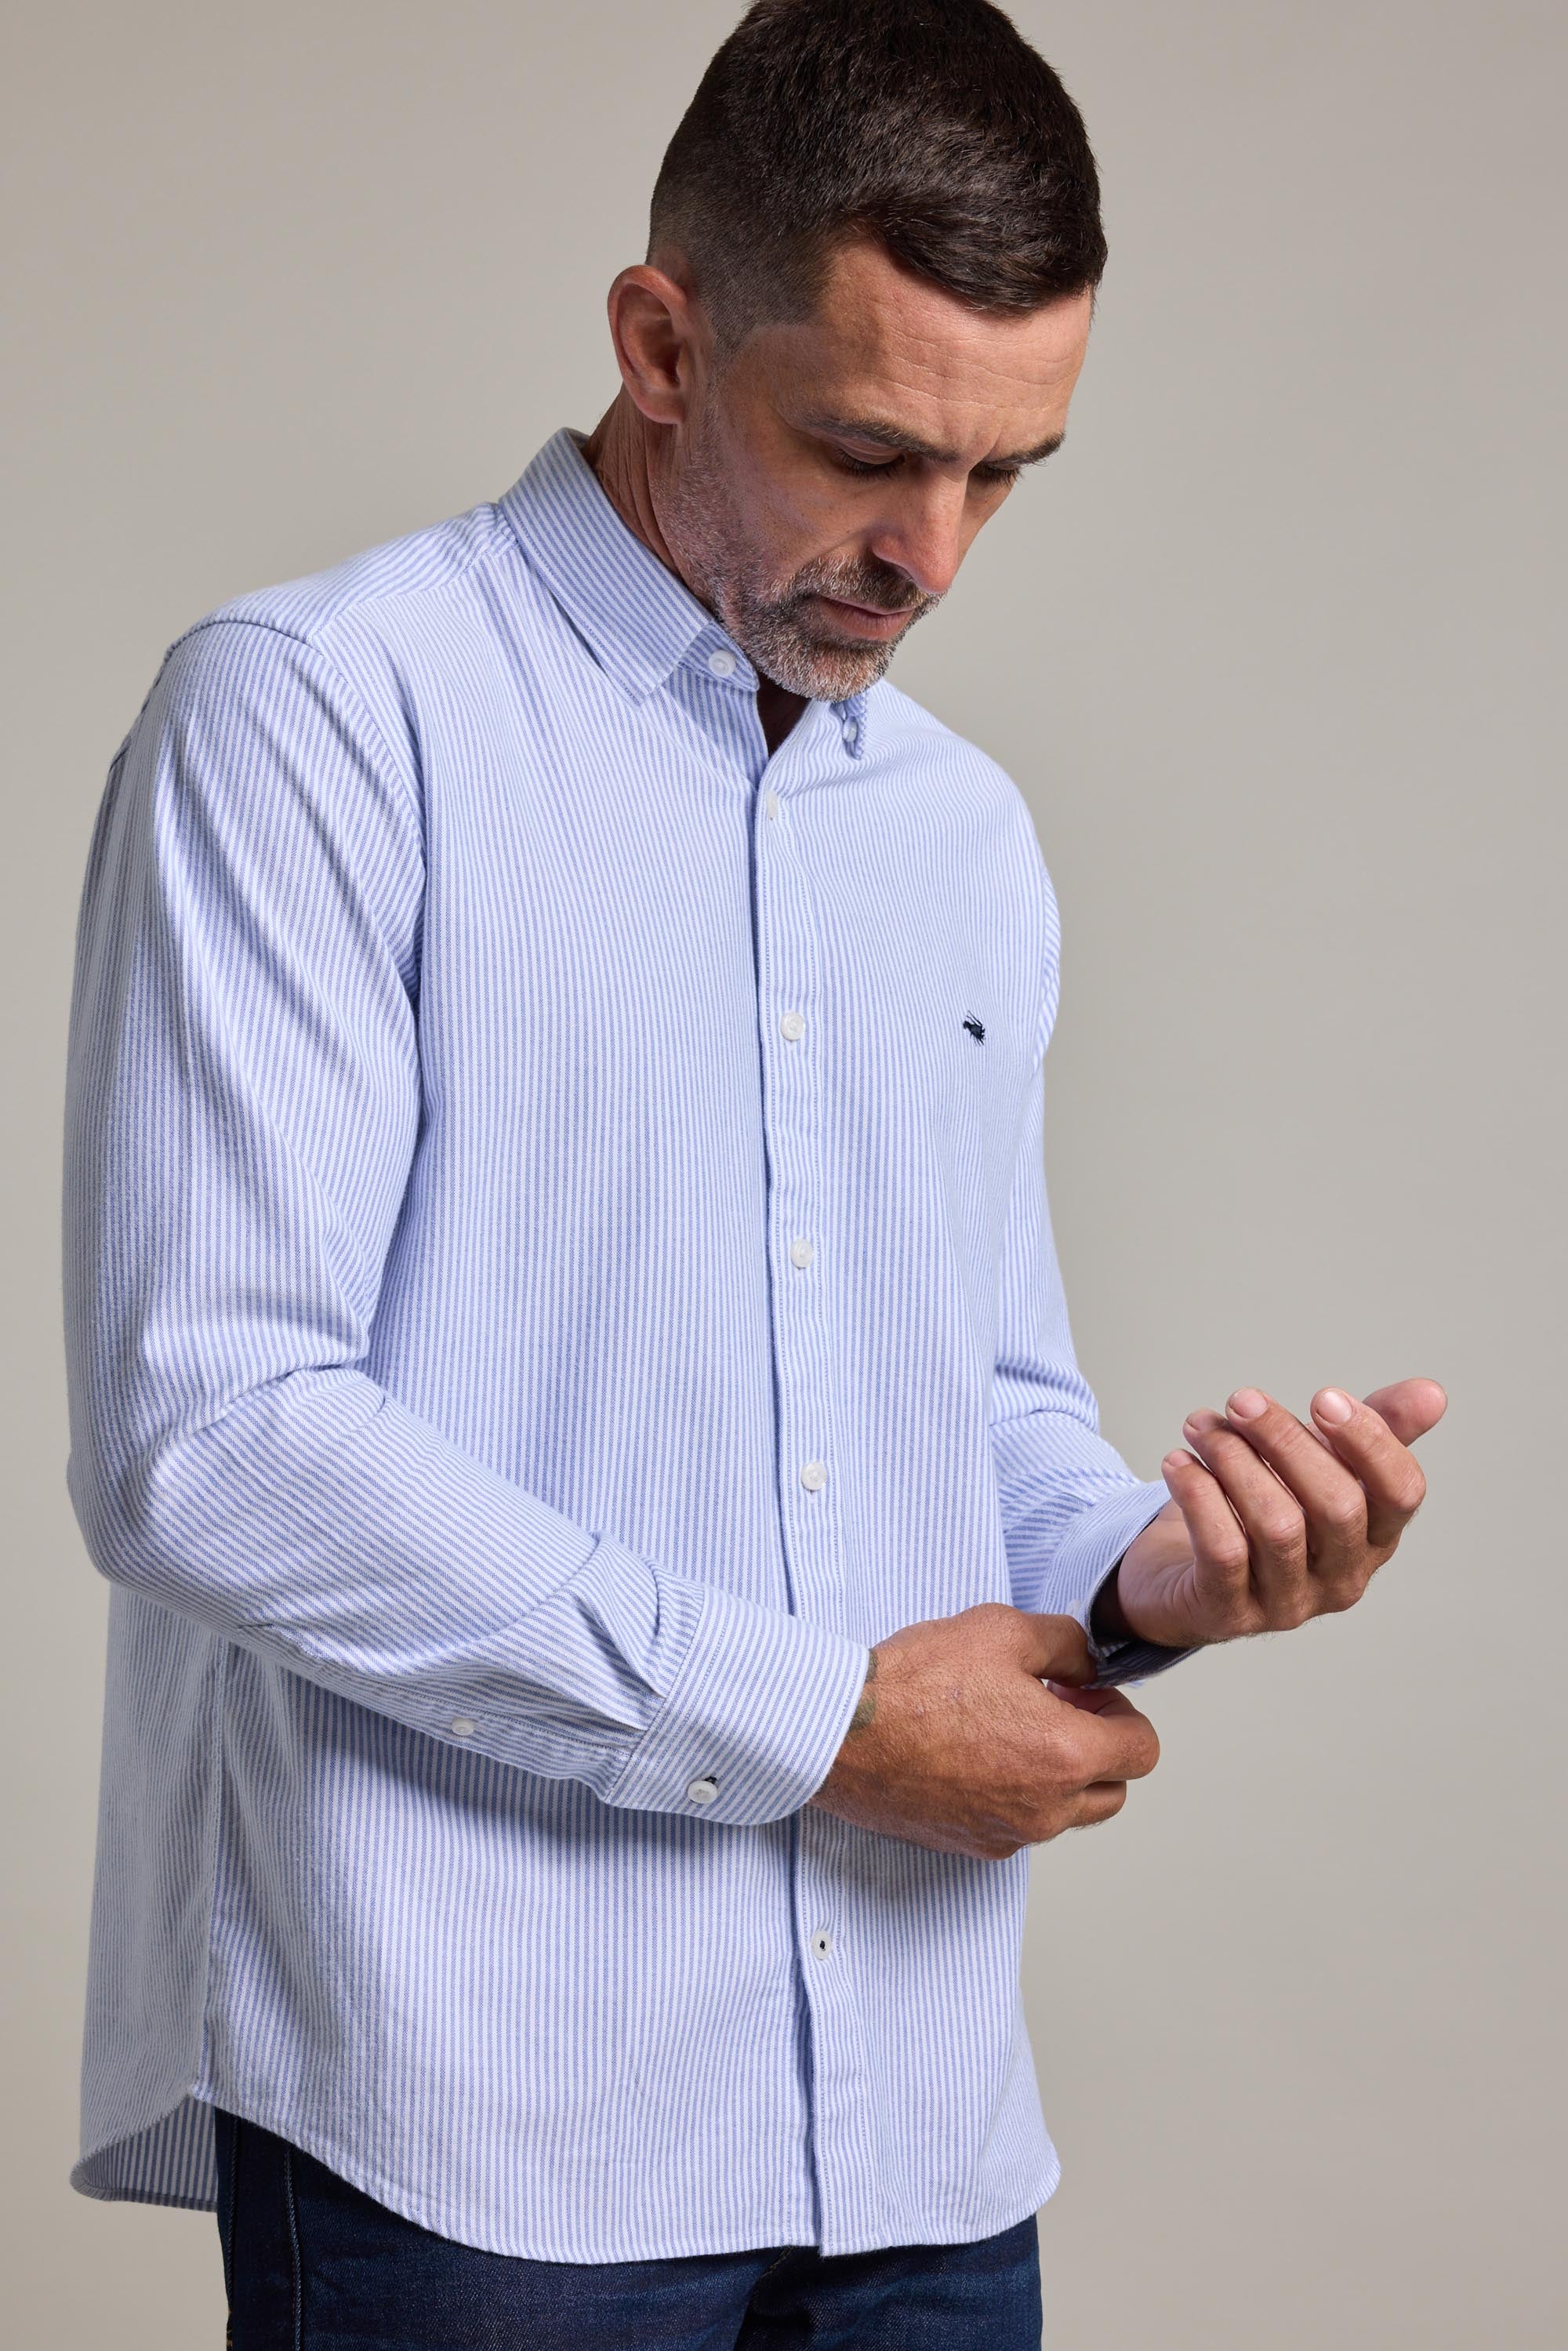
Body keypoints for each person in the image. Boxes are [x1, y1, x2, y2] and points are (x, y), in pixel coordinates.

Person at [60, 2, 1444, 2343]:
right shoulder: (321, 717)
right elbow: (211, 1435)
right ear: (661, 342)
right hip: (475, 2129)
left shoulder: (962, 835)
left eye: (1006, 474)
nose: (932, 555)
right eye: (869, 451)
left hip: (918, 2127)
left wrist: (1155, 1573)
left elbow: (975, 1400)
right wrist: (820, 1729)